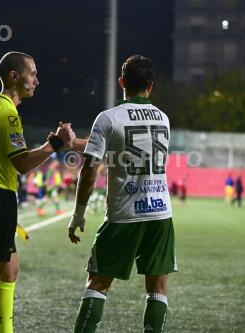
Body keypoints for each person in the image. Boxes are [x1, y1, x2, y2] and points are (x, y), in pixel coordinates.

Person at [0, 51, 75, 333]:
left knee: (9, 271)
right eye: (32, 73)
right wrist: (56, 143)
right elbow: (22, 163)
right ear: (15, 76)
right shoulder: (8, 114)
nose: (36, 80)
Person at [68, 55, 176, 333]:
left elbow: (91, 169)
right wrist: (80, 142)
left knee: (97, 283)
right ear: (150, 86)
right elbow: (130, 143)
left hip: (124, 214)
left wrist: (78, 214)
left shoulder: (107, 119)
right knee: (158, 286)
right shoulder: (163, 118)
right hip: (160, 213)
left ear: (121, 83)